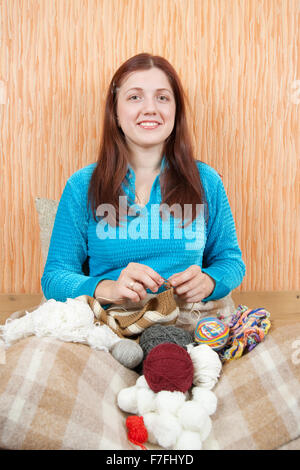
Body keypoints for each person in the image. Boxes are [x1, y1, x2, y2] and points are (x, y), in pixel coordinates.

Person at [41, 53, 245, 311]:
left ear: (175, 110)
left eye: (162, 97)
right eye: (135, 97)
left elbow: (230, 262)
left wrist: (209, 282)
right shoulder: (82, 186)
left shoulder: (207, 181)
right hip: (109, 326)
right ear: (115, 111)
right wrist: (110, 289)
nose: (150, 108)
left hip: (186, 321)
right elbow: (55, 277)